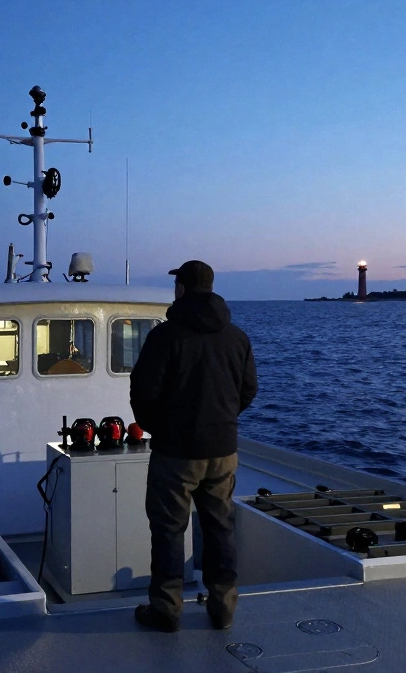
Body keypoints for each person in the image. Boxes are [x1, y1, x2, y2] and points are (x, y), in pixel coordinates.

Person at [129, 260, 257, 632]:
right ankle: (223, 607)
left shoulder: (165, 337)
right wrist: (223, 423)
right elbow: (248, 390)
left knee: (169, 529)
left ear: (181, 289)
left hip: (176, 453)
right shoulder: (237, 337)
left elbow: (143, 392)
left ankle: (167, 610)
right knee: (220, 527)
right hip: (223, 451)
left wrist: (160, 428)